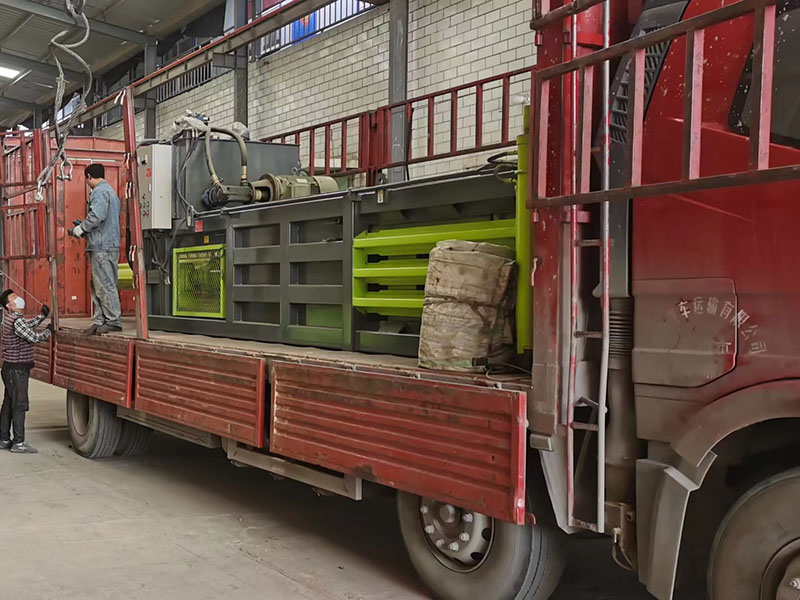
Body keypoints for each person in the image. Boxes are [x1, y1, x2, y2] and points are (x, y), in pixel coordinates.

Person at [70, 163, 122, 335]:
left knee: (104, 284)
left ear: (89, 176)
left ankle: (113, 320)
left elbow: (97, 216)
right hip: (106, 244)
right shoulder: (110, 192)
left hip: (102, 246)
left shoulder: (99, 192)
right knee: (100, 285)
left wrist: (82, 228)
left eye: (86, 179)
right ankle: (101, 320)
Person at [0, 289, 53, 454]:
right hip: (17, 370)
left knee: (9, 404)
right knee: (19, 405)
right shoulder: (16, 320)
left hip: (10, 369)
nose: (18, 298)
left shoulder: (13, 318)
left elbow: (27, 326)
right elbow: (33, 337)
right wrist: (48, 332)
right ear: (9, 306)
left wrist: (41, 316)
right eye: (14, 297)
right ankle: (19, 443)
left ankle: (4, 439)